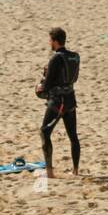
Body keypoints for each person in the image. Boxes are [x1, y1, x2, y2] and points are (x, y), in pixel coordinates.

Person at [35, 27, 80, 178]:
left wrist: (39, 88)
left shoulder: (56, 58)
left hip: (58, 102)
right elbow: (72, 78)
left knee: (44, 132)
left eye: (50, 40)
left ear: (54, 41)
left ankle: (49, 173)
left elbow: (46, 86)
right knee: (73, 136)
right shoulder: (75, 56)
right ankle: (75, 170)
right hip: (70, 100)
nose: (49, 43)